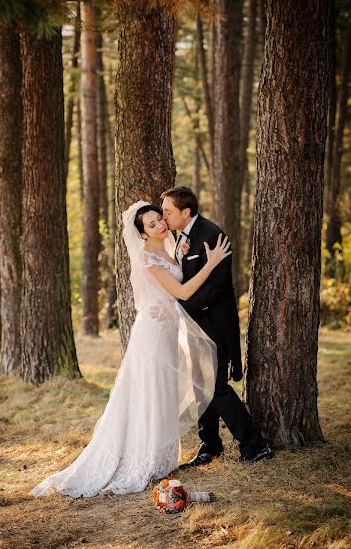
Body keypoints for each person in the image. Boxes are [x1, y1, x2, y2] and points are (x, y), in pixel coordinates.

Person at [30, 200, 231, 498]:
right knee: (148, 392)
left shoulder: (172, 245)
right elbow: (183, 291)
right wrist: (212, 263)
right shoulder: (148, 257)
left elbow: (174, 288)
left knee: (163, 391)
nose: (161, 225)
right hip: (152, 334)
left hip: (166, 332)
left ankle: (160, 459)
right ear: (143, 234)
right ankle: (142, 460)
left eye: (160, 219)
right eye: (152, 225)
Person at [161, 186, 272, 466]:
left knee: (217, 387)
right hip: (194, 325)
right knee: (201, 387)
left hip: (214, 324)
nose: (163, 216)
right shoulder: (180, 237)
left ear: (186, 212)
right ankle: (210, 445)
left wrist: (180, 308)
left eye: (167, 211)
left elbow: (217, 286)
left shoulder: (213, 235)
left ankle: (255, 445)